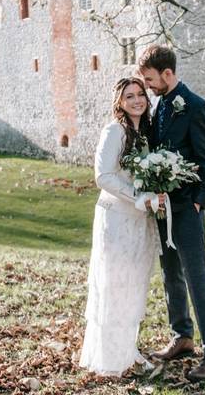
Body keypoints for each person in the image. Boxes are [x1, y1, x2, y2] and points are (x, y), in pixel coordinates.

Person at [137, 45, 205, 382]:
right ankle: (182, 336)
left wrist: (200, 201)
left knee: (196, 276)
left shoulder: (197, 106)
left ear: (168, 74)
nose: (147, 86)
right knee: (170, 272)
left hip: (188, 208)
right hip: (162, 208)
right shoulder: (158, 106)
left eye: (150, 79)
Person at [79, 77, 165, 376]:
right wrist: (139, 197)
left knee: (133, 287)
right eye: (130, 96)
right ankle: (114, 357)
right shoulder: (114, 130)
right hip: (116, 218)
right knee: (115, 286)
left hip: (140, 220)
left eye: (141, 94)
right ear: (120, 101)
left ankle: (128, 349)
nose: (137, 100)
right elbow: (102, 176)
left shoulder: (146, 133)